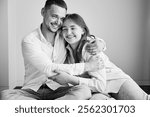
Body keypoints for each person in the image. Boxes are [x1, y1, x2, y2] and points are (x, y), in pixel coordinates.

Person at [1, 0, 105, 100]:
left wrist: (100, 43)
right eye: (54, 16)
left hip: (59, 88)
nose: (58, 22)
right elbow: (48, 68)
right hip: (32, 90)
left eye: (62, 18)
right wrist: (87, 66)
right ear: (43, 12)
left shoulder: (64, 34)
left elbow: (80, 36)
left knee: (84, 91)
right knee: (5, 95)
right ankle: (54, 107)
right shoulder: (29, 40)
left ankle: (41, 109)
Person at [53, 13, 150, 100]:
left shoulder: (90, 48)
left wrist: (69, 79)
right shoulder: (66, 49)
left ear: (82, 30)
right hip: (97, 89)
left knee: (144, 103)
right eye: (64, 29)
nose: (68, 32)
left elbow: (100, 84)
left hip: (116, 82)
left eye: (73, 28)